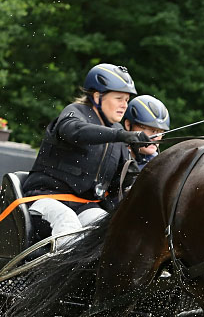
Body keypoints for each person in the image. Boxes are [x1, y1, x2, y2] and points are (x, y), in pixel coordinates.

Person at [23, 63, 152, 244]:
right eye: (119, 98)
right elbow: (74, 131)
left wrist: (135, 168)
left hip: (84, 206)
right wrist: (121, 135)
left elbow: (118, 187)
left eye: (127, 99)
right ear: (97, 96)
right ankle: (64, 273)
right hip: (45, 198)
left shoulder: (118, 132)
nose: (124, 105)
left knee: (108, 229)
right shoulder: (74, 113)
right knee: (67, 222)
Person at [107, 95, 170, 209]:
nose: (156, 137)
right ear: (127, 125)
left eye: (160, 131)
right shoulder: (111, 154)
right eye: (149, 129)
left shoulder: (160, 165)